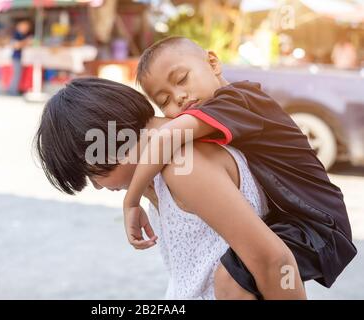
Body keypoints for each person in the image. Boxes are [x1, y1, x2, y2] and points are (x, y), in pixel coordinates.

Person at [122, 36, 356, 299]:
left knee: (236, 278)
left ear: (213, 63)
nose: (178, 97)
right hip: (291, 219)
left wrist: (131, 201)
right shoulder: (221, 109)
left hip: (318, 222)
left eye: (181, 79)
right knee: (250, 270)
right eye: (164, 101)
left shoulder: (239, 100)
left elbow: (166, 136)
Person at [34, 77, 305, 299]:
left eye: (92, 175)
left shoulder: (182, 167)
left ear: (108, 146)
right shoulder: (158, 173)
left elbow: (274, 261)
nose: (97, 186)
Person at [7, 20, 32, 96]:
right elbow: (16, 46)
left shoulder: (22, 35)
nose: (26, 29)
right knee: (16, 74)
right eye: (25, 27)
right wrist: (26, 41)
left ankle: (14, 90)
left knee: (18, 74)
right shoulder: (16, 35)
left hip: (19, 57)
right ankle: (12, 91)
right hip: (16, 57)